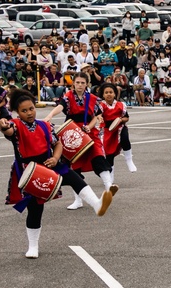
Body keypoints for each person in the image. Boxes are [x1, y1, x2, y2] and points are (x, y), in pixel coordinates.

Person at [0, 89, 113, 258]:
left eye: (31, 108)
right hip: (30, 171)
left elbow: (57, 143)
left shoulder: (45, 125)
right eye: (24, 111)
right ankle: (33, 246)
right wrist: (3, 126)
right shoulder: (15, 126)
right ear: (17, 112)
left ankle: (97, 205)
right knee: (35, 209)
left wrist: (55, 157)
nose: (29, 113)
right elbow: (8, 131)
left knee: (74, 177)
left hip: (49, 163)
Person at [43, 72, 116, 209]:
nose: (80, 85)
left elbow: (97, 116)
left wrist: (89, 127)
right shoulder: (68, 96)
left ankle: (109, 186)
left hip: (88, 131)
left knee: (97, 156)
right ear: (73, 83)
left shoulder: (93, 98)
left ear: (87, 84)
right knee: (72, 165)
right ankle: (78, 200)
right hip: (71, 132)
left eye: (83, 83)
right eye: (77, 82)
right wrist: (50, 115)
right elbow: (61, 107)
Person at [99, 82, 137, 173]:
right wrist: (99, 117)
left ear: (115, 93)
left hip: (120, 127)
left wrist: (120, 120)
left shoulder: (120, 105)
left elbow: (126, 118)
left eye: (111, 92)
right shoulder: (101, 105)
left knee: (125, 139)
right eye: (106, 92)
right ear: (103, 95)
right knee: (109, 154)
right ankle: (110, 178)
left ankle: (129, 160)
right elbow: (98, 115)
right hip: (107, 130)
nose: (109, 94)